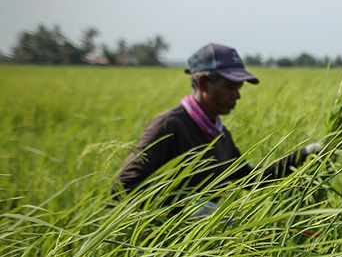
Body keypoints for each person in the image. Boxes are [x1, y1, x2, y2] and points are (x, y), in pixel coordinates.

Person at [112, 43, 321, 212]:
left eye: (239, 88)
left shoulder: (219, 135)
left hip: (198, 245)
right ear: (204, 83)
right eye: (230, 87)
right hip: (160, 248)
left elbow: (250, 179)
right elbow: (122, 187)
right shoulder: (170, 125)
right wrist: (187, 209)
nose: (237, 96)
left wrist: (304, 154)